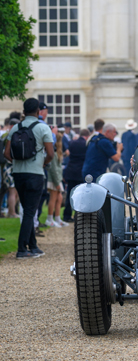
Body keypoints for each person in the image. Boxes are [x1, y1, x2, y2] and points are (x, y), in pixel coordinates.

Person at [4, 98, 54, 258]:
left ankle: (32, 246)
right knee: (30, 211)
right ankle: (21, 249)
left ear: (24, 112)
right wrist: (42, 163)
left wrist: (17, 163)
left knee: (27, 210)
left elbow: (6, 153)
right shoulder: (43, 128)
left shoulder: (15, 128)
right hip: (35, 174)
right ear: (38, 111)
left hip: (18, 174)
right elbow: (51, 154)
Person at [63, 128, 89, 222]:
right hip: (81, 171)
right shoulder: (86, 144)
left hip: (71, 170)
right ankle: (79, 216)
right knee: (81, 195)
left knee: (70, 194)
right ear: (87, 136)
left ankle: (67, 215)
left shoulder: (72, 143)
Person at [45, 132, 68, 227]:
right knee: (53, 199)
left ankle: (57, 218)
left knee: (59, 198)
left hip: (57, 178)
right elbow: (53, 170)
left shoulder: (57, 153)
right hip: (54, 179)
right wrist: (57, 182)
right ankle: (49, 219)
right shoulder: (54, 153)